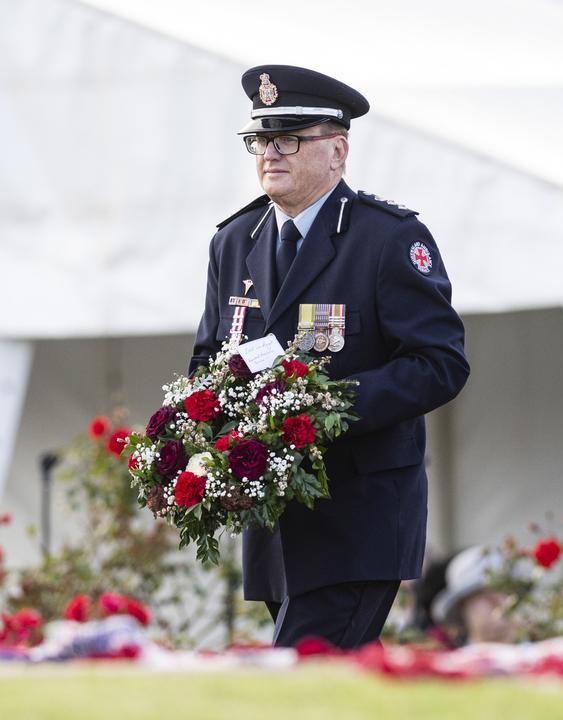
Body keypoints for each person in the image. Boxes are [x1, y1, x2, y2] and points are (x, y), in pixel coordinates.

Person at [189, 65, 470, 649]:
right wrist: (204, 446)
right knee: (320, 690)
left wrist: (326, 408)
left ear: (337, 151)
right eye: (261, 141)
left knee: (302, 675)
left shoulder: (387, 238)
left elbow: (439, 363)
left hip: (358, 518)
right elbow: (209, 360)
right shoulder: (235, 241)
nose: (270, 153)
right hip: (273, 526)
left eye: (289, 139)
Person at [431, 546, 518, 646]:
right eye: (480, 593)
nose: (496, 600)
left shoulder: (537, 656)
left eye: (503, 588)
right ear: (461, 607)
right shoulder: (456, 661)